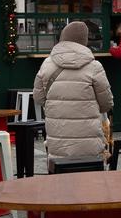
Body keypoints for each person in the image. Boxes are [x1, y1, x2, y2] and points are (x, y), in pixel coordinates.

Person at [34, 21, 115, 163]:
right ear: (84, 41)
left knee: (60, 181)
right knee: (90, 181)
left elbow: (39, 98)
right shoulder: (94, 67)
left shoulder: (47, 64)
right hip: (89, 144)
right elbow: (107, 103)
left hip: (58, 141)